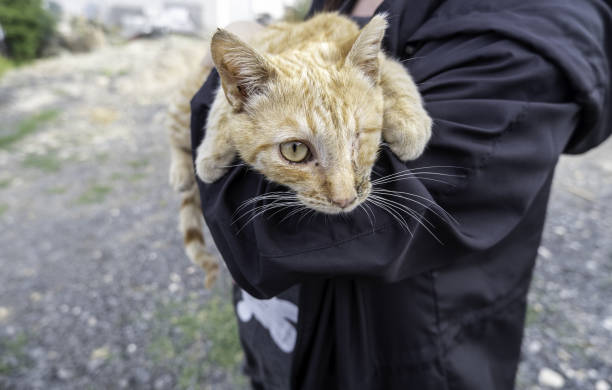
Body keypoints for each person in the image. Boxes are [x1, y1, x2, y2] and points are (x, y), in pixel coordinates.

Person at [190, 0, 612, 388]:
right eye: (297, 150)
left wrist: (225, 75)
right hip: (286, 333)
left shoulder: (526, 28)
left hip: (404, 360)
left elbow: (261, 242)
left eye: (359, 143)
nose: (343, 194)